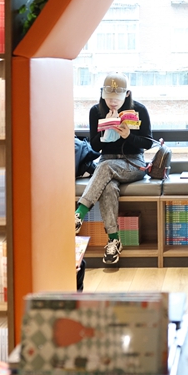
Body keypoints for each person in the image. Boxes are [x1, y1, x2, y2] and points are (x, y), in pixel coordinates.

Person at [73, 73, 152, 266]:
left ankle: (79, 212)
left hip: (133, 163)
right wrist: (104, 132)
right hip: (107, 161)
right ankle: (113, 241)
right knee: (108, 187)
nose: (112, 102)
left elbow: (148, 143)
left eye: (117, 98)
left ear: (127, 94)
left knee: (105, 167)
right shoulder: (96, 111)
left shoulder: (139, 109)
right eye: (108, 98)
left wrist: (128, 136)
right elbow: (94, 147)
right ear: (102, 94)